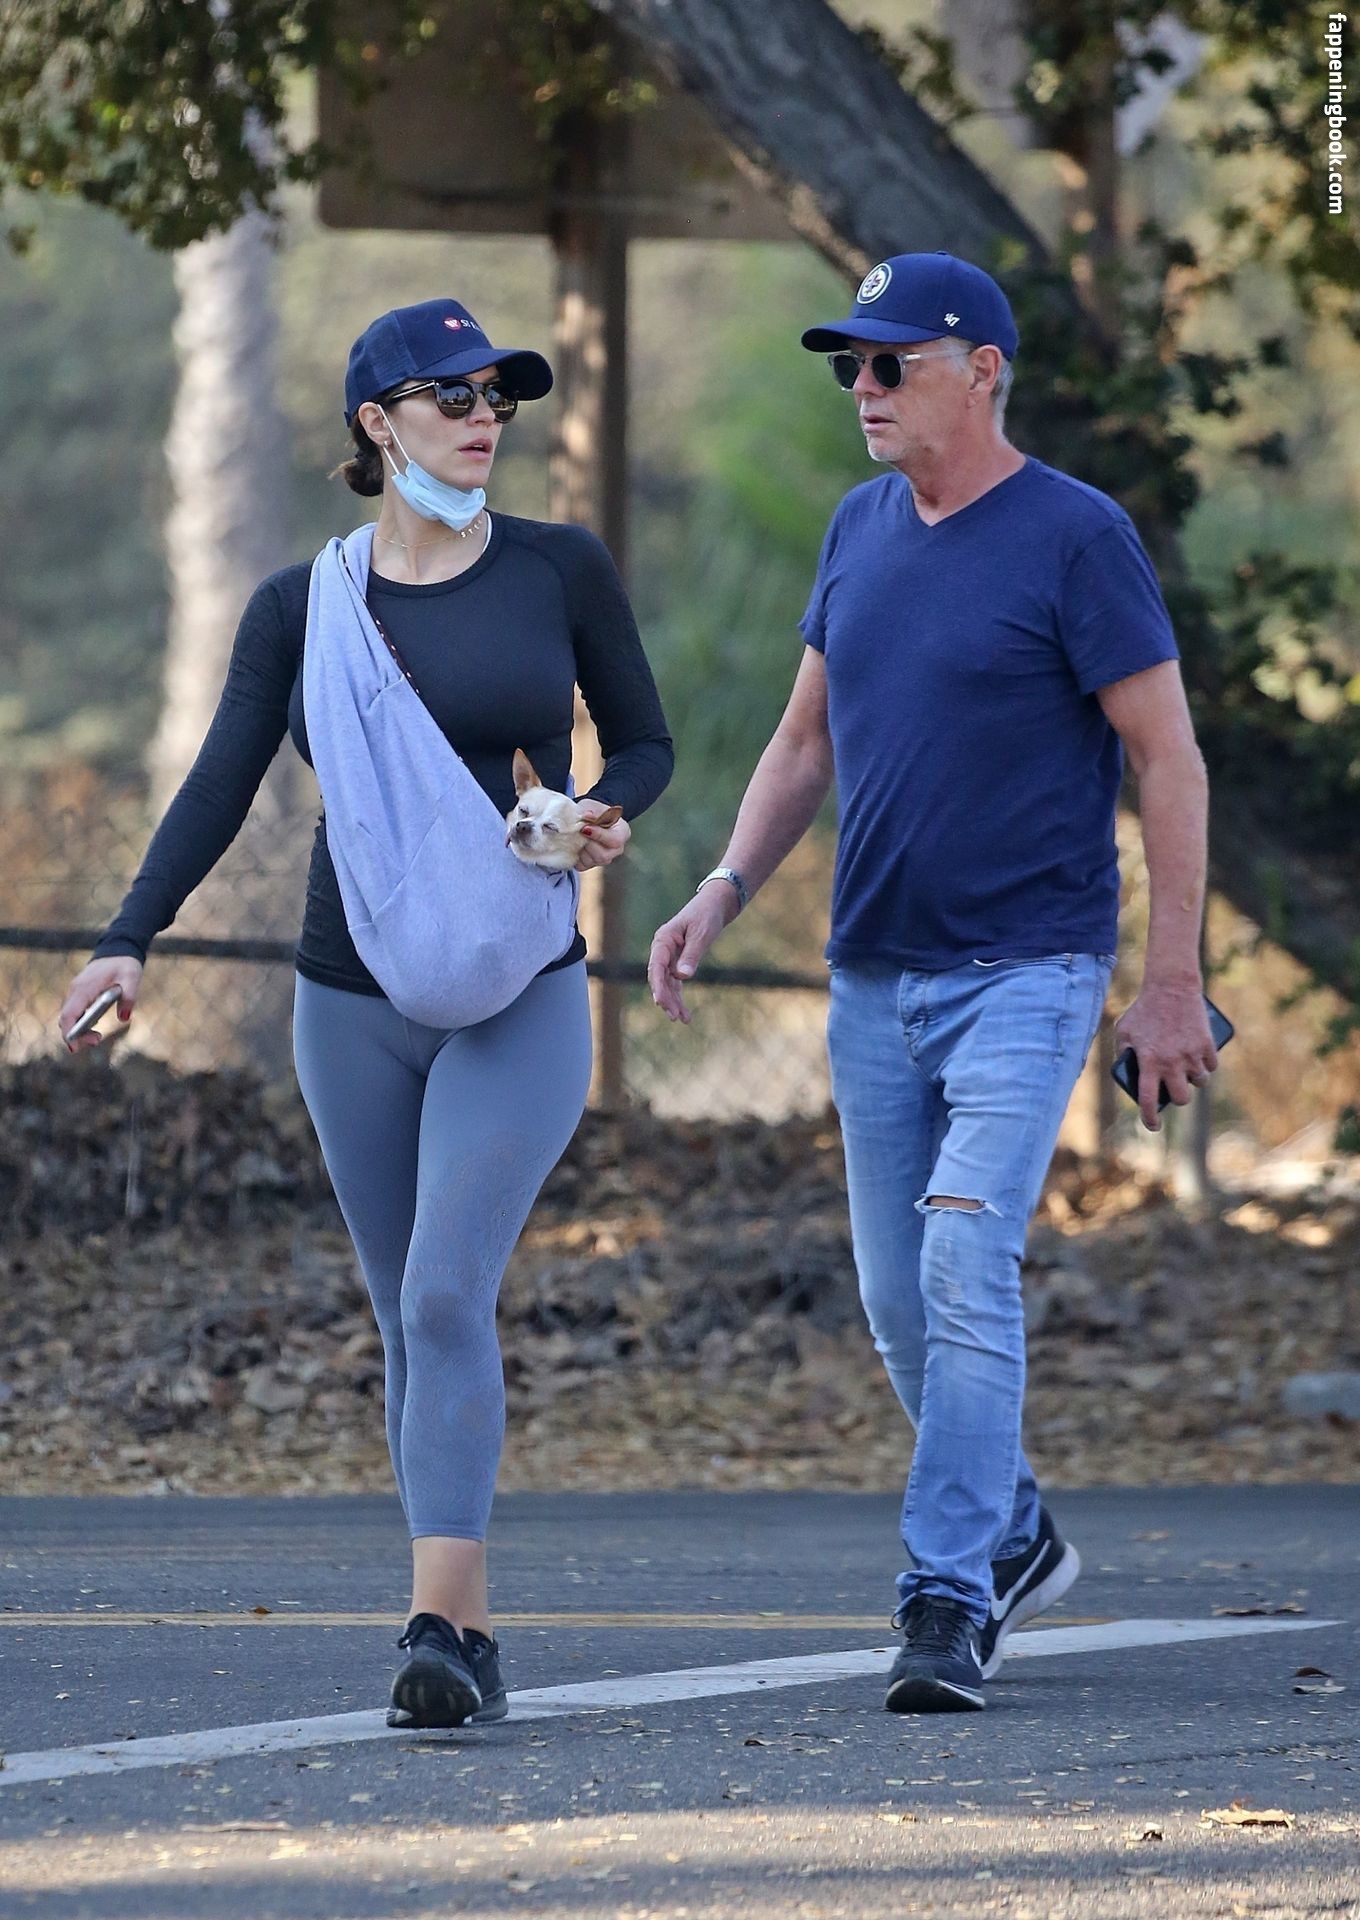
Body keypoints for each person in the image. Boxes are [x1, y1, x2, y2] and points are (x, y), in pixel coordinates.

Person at [58, 297, 673, 1729]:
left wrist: (601, 810)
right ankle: (467, 1637)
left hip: (518, 990)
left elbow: (644, 740)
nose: (484, 417)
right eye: (452, 395)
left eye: (499, 396)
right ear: (377, 425)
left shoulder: (559, 569)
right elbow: (221, 779)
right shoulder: (303, 607)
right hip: (350, 998)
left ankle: (433, 1623)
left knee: (448, 1290)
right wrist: (128, 940)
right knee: (408, 1314)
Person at [648, 252, 1216, 1714]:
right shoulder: (858, 528)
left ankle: (948, 1593)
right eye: (851, 363)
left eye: (892, 362)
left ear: (984, 371)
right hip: (871, 981)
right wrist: (722, 889)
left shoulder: (1077, 537)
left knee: (965, 1262)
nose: (863, 387)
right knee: (898, 1299)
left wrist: (1170, 980)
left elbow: (1166, 758)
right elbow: (803, 743)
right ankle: (1014, 1527)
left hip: (1028, 970)